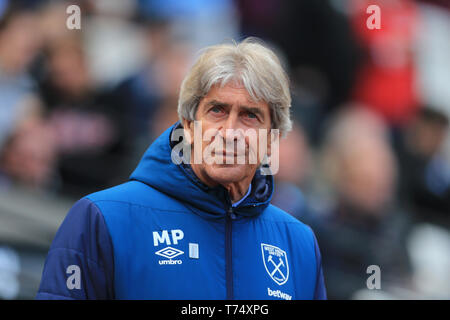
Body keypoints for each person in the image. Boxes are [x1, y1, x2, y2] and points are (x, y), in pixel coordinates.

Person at [36, 38, 326, 300]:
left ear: (271, 139)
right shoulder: (102, 218)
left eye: (250, 116)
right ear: (188, 126)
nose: (229, 132)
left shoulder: (298, 243)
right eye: (217, 110)